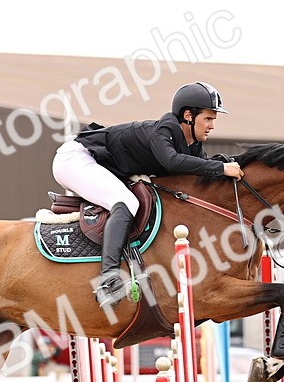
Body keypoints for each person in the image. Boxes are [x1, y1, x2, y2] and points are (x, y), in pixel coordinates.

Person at [52, 82, 244, 308]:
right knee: (125, 201)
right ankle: (108, 279)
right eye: (208, 119)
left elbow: (199, 168)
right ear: (188, 115)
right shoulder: (163, 131)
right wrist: (221, 169)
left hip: (96, 163)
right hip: (75, 159)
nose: (212, 126)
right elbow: (171, 162)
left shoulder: (190, 144)